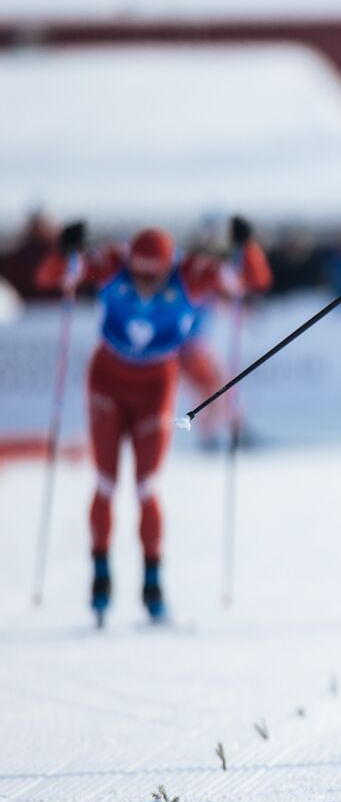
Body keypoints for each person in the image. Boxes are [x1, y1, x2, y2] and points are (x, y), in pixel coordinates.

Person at [36, 217, 271, 624]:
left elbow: (252, 279)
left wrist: (246, 245)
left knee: (147, 486)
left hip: (156, 386)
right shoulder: (112, 265)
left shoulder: (191, 275)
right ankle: (101, 575)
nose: (145, 287)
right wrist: (63, 249)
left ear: (168, 267)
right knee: (106, 482)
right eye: (139, 277)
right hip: (107, 383)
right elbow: (51, 277)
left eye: (154, 278)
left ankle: (152, 583)